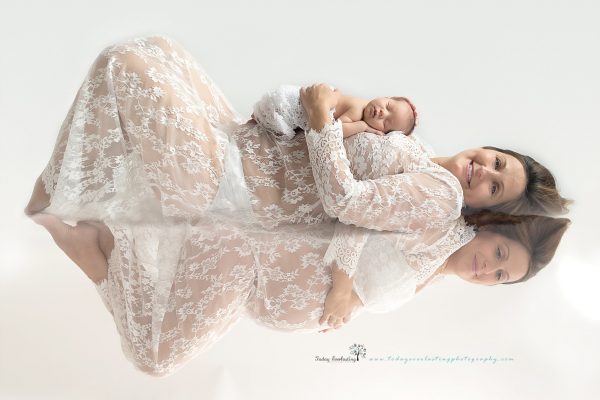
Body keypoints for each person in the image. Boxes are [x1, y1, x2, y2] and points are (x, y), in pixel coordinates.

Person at [23, 35, 571, 376]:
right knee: (129, 62)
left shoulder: (439, 229)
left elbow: (363, 221)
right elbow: (350, 202)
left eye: (495, 186)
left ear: (489, 214)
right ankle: (62, 191)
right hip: (235, 195)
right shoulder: (432, 181)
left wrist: (347, 290)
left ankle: (91, 237)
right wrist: (323, 116)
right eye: (496, 162)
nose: (484, 172)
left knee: (154, 356)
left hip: (246, 245)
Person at [250, 84, 418, 139]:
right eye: (388, 106)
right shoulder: (358, 112)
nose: (382, 113)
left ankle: (261, 115)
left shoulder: (363, 104)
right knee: (279, 123)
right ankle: (262, 117)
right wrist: (362, 126)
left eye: (387, 122)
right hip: (293, 105)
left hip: (289, 96)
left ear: (382, 132)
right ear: (387, 96)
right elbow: (338, 129)